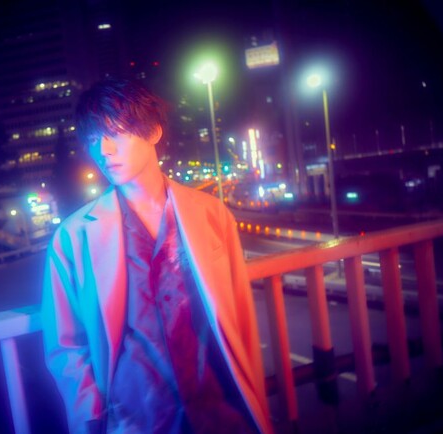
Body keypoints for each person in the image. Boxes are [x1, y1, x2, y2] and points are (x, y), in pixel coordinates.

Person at [42, 77, 273, 434]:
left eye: (115, 133)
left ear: (153, 132)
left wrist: (253, 390)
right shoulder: (74, 236)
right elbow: (66, 344)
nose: (103, 149)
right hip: (136, 418)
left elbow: (240, 313)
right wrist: (91, 414)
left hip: (220, 408)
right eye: (92, 138)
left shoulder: (211, 213)